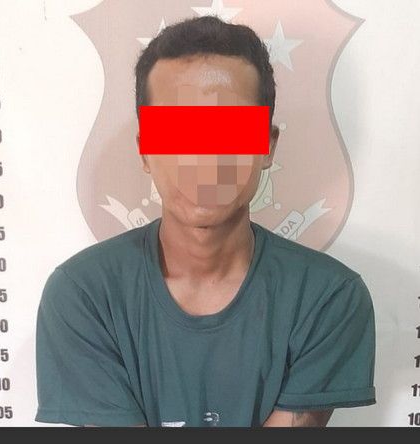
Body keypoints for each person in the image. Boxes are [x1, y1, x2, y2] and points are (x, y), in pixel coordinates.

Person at [35, 15, 376, 427]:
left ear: (267, 146)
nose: (204, 158)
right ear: (145, 150)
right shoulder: (84, 295)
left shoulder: (327, 298)